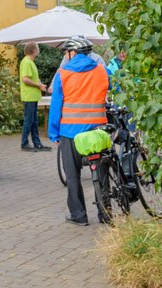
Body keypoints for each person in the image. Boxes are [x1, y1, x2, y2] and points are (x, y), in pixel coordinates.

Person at [48, 36, 111, 226]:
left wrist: (54, 133)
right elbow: (116, 87)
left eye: (66, 53)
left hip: (70, 133)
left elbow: (56, 105)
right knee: (102, 173)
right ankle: (105, 214)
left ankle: (79, 215)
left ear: (72, 53)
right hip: (97, 130)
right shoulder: (102, 70)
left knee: (73, 175)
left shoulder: (63, 74)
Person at [19, 43, 51, 152]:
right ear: (33, 50)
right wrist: (38, 85)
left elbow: (33, 78)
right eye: (37, 48)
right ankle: (24, 143)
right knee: (29, 121)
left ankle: (37, 144)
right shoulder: (26, 62)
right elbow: (25, 79)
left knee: (34, 121)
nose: (39, 50)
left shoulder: (30, 62)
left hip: (33, 96)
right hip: (29, 96)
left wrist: (40, 85)